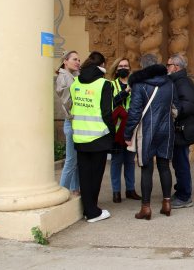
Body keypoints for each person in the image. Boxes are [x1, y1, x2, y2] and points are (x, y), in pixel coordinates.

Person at [125, 54, 178, 220]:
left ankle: (146, 208)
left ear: (143, 66)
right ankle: (167, 203)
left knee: (146, 168)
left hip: (147, 131)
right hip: (167, 129)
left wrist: (127, 133)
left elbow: (134, 112)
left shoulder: (139, 85)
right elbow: (175, 106)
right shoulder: (169, 83)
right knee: (164, 166)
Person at [70, 51, 114, 223]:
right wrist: (111, 132)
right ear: (102, 66)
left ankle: (87, 208)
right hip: (98, 136)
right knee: (95, 176)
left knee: (84, 175)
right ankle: (93, 212)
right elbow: (106, 112)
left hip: (80, 136)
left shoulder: (75, 83)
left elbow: (73, 108)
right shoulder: (104, 84)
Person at [167, 53, 194, 209]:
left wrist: (174, 110)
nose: (166, 68)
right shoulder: (178, 81)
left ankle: (184, 196)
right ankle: (181, 190)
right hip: (181, 130)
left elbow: (190, 105)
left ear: (176, 67)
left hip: (183, 131)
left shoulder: (182, 83)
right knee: (179, 162)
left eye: (168, 65)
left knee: (181, 164)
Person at [108, 57, 141, 203]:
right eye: (120, 66)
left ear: (130, 68)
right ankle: (116, 192)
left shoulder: (136, 84)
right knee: (116, 161)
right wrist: (126, 91)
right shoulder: (111, 85)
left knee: (129, 160)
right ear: (116, 69)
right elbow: (112, 102)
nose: (123, 68)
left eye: (126, 66)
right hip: (117, 129)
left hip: (131, 127)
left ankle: (130, 189)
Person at [56, 50, 81, 195]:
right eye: (74, 59)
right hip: (71, 121)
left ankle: (74, 189)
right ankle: (62, 192)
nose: (78, 62)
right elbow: (67, 102)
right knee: (71, 161)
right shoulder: (63, 77)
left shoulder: (75, 76)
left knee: (75, 162)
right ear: (65, 61)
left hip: (77, 122)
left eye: (79, 59)